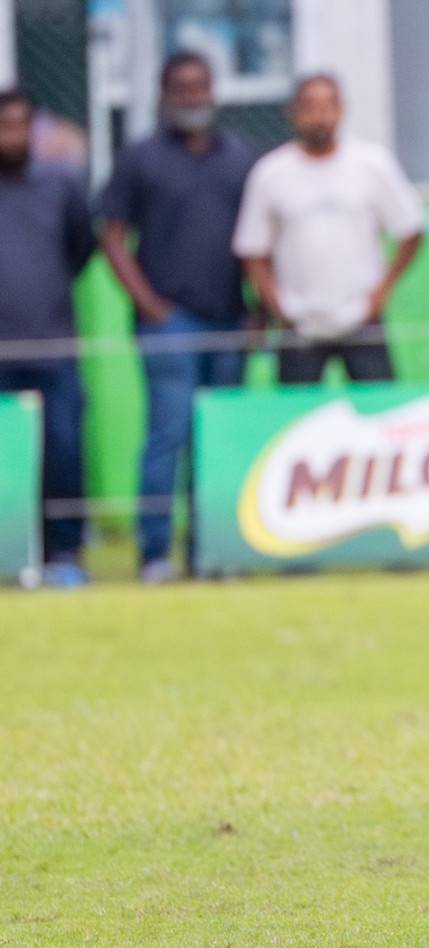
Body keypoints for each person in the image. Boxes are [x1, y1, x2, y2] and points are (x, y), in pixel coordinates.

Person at [100, 51, 259, 584]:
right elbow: (112, 238)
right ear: (162, 95)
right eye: (180, 87)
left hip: (230, 320)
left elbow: (260, 241)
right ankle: (154, 555)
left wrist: (257, 310)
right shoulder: (139, 158)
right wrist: (148, 305)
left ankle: (213, 551)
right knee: (168, 433)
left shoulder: (240, 157)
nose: (192, 96)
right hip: (169, 322)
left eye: (200, 86)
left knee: (219, 438)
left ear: (214, 91)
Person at [233, 73, 423, 384]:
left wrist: (382, 290)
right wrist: (274, 301)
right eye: (309, 107)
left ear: (342, 110)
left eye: (327, 106)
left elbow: (411, 229)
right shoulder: (271, 172)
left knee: (378, 415)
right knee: (298, 419)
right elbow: (252, 249)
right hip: (299, 321)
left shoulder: (371, 163)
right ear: (293, 113)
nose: (319, 116)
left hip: (361, 317)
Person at [0, 89, 94, 587]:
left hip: (53, 344)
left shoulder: (60, 186)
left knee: (61, 446)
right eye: (3, 125)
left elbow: (82, 246)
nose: (10, 135)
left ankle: (64, 553)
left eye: (19, 124)